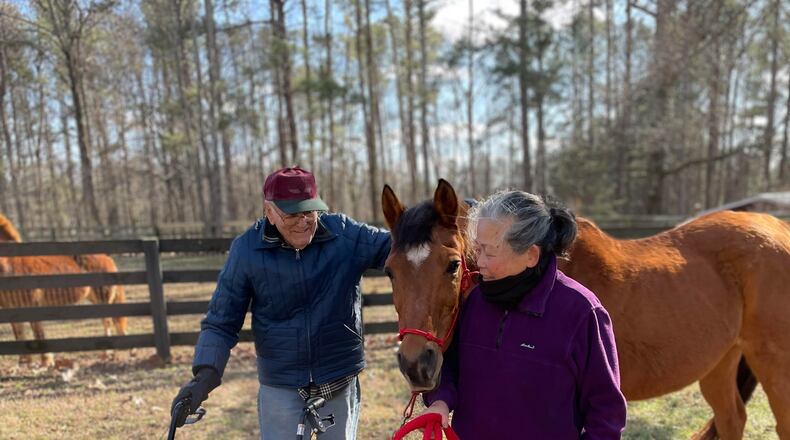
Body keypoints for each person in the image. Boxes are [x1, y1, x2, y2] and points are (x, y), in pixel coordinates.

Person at [171, 166, 391, 439]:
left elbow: (404, 246)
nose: (303, 221)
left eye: (309, 211)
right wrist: (205, 376)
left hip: (338, 376)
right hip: (282, 382)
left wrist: (437, 220)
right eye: (292, 214)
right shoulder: (247, 250)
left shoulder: (345, 235)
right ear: (269, 212)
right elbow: (221, 321)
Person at [422, 190, 627, 439]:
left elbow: (606, 411)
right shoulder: (475, 301)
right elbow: (450, 365)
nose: (480, 262)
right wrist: (440, 401)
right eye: (478, 249)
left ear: (531, 255)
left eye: (490, 252)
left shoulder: (582, 313)